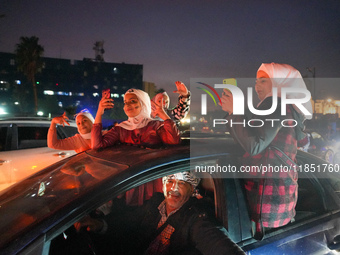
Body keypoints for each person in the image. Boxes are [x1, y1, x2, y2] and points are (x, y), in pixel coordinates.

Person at [220, 63, 312, 238]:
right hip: (278, 205)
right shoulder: (289, 108)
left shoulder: (276, 104)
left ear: (281, 82)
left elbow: (254, 145)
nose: (257, 86)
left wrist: (234, 111)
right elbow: (260, 137)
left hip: (265, 206)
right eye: (256, 81)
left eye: (263, 81)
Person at [75, 171, 246, 255]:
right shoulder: (156, 203)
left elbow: (218, 245)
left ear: (192, 188)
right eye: (170, 181)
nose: (174, 188)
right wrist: (99, 225)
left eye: (182, 182)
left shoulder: (196, 217)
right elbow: (129, 221)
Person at [92, 88, 181, 205]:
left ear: (143, 103)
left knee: (152, 211)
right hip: (130, 182)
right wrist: (99, 112)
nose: (127, 105)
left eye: (133, 101)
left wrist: (164, 115)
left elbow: (174, 142)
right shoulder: (121, 128)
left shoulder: (155, 125)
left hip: (152, 180)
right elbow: (97, 145)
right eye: (125, 102)